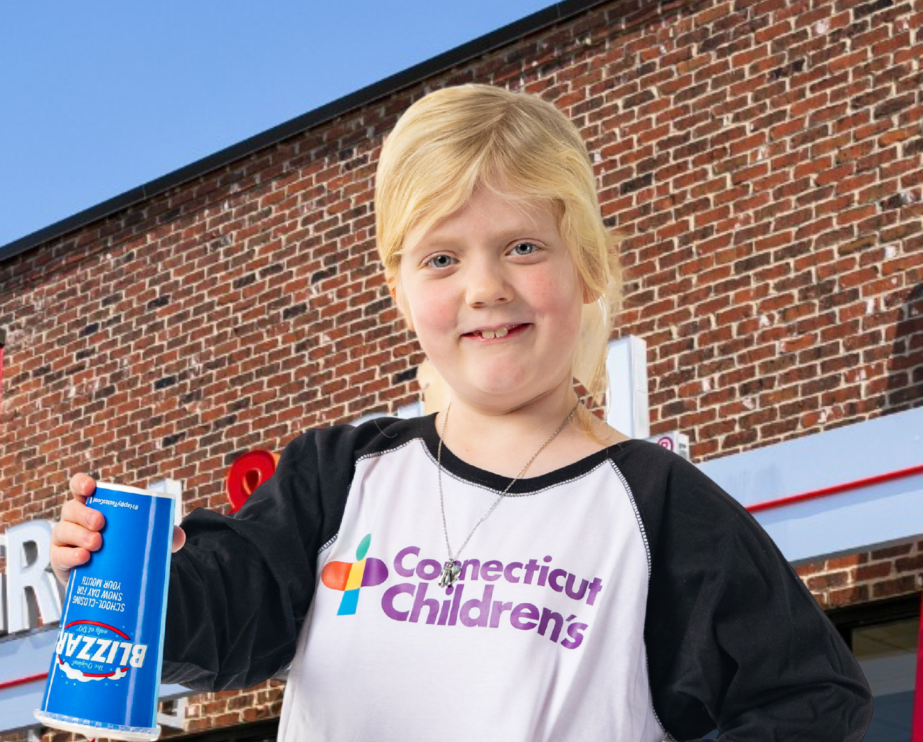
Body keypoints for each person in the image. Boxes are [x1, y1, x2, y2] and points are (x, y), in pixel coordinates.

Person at [49, 83, 873, 741]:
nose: (485, 287)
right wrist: (120, 579)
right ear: (401, 293)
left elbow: (811, 700)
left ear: (586, 266)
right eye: (442, 258)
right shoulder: (340, 478)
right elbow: (216, 623)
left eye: (523, 246)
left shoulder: (661, 509)